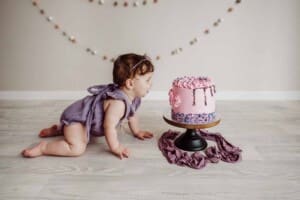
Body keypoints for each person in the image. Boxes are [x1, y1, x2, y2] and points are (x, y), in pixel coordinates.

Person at [22, 53, 154, 159]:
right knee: (77, 148)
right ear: (130, 84)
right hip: (78, 120)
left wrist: (137, 131)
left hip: (84, 123)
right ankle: (44, 147)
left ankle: (59, 129)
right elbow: (108, 127)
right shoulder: (118, 104)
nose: (151, 84)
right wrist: (115, 147)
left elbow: (132, 115)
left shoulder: (134, 98)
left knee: (78, 135)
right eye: (147, 80)